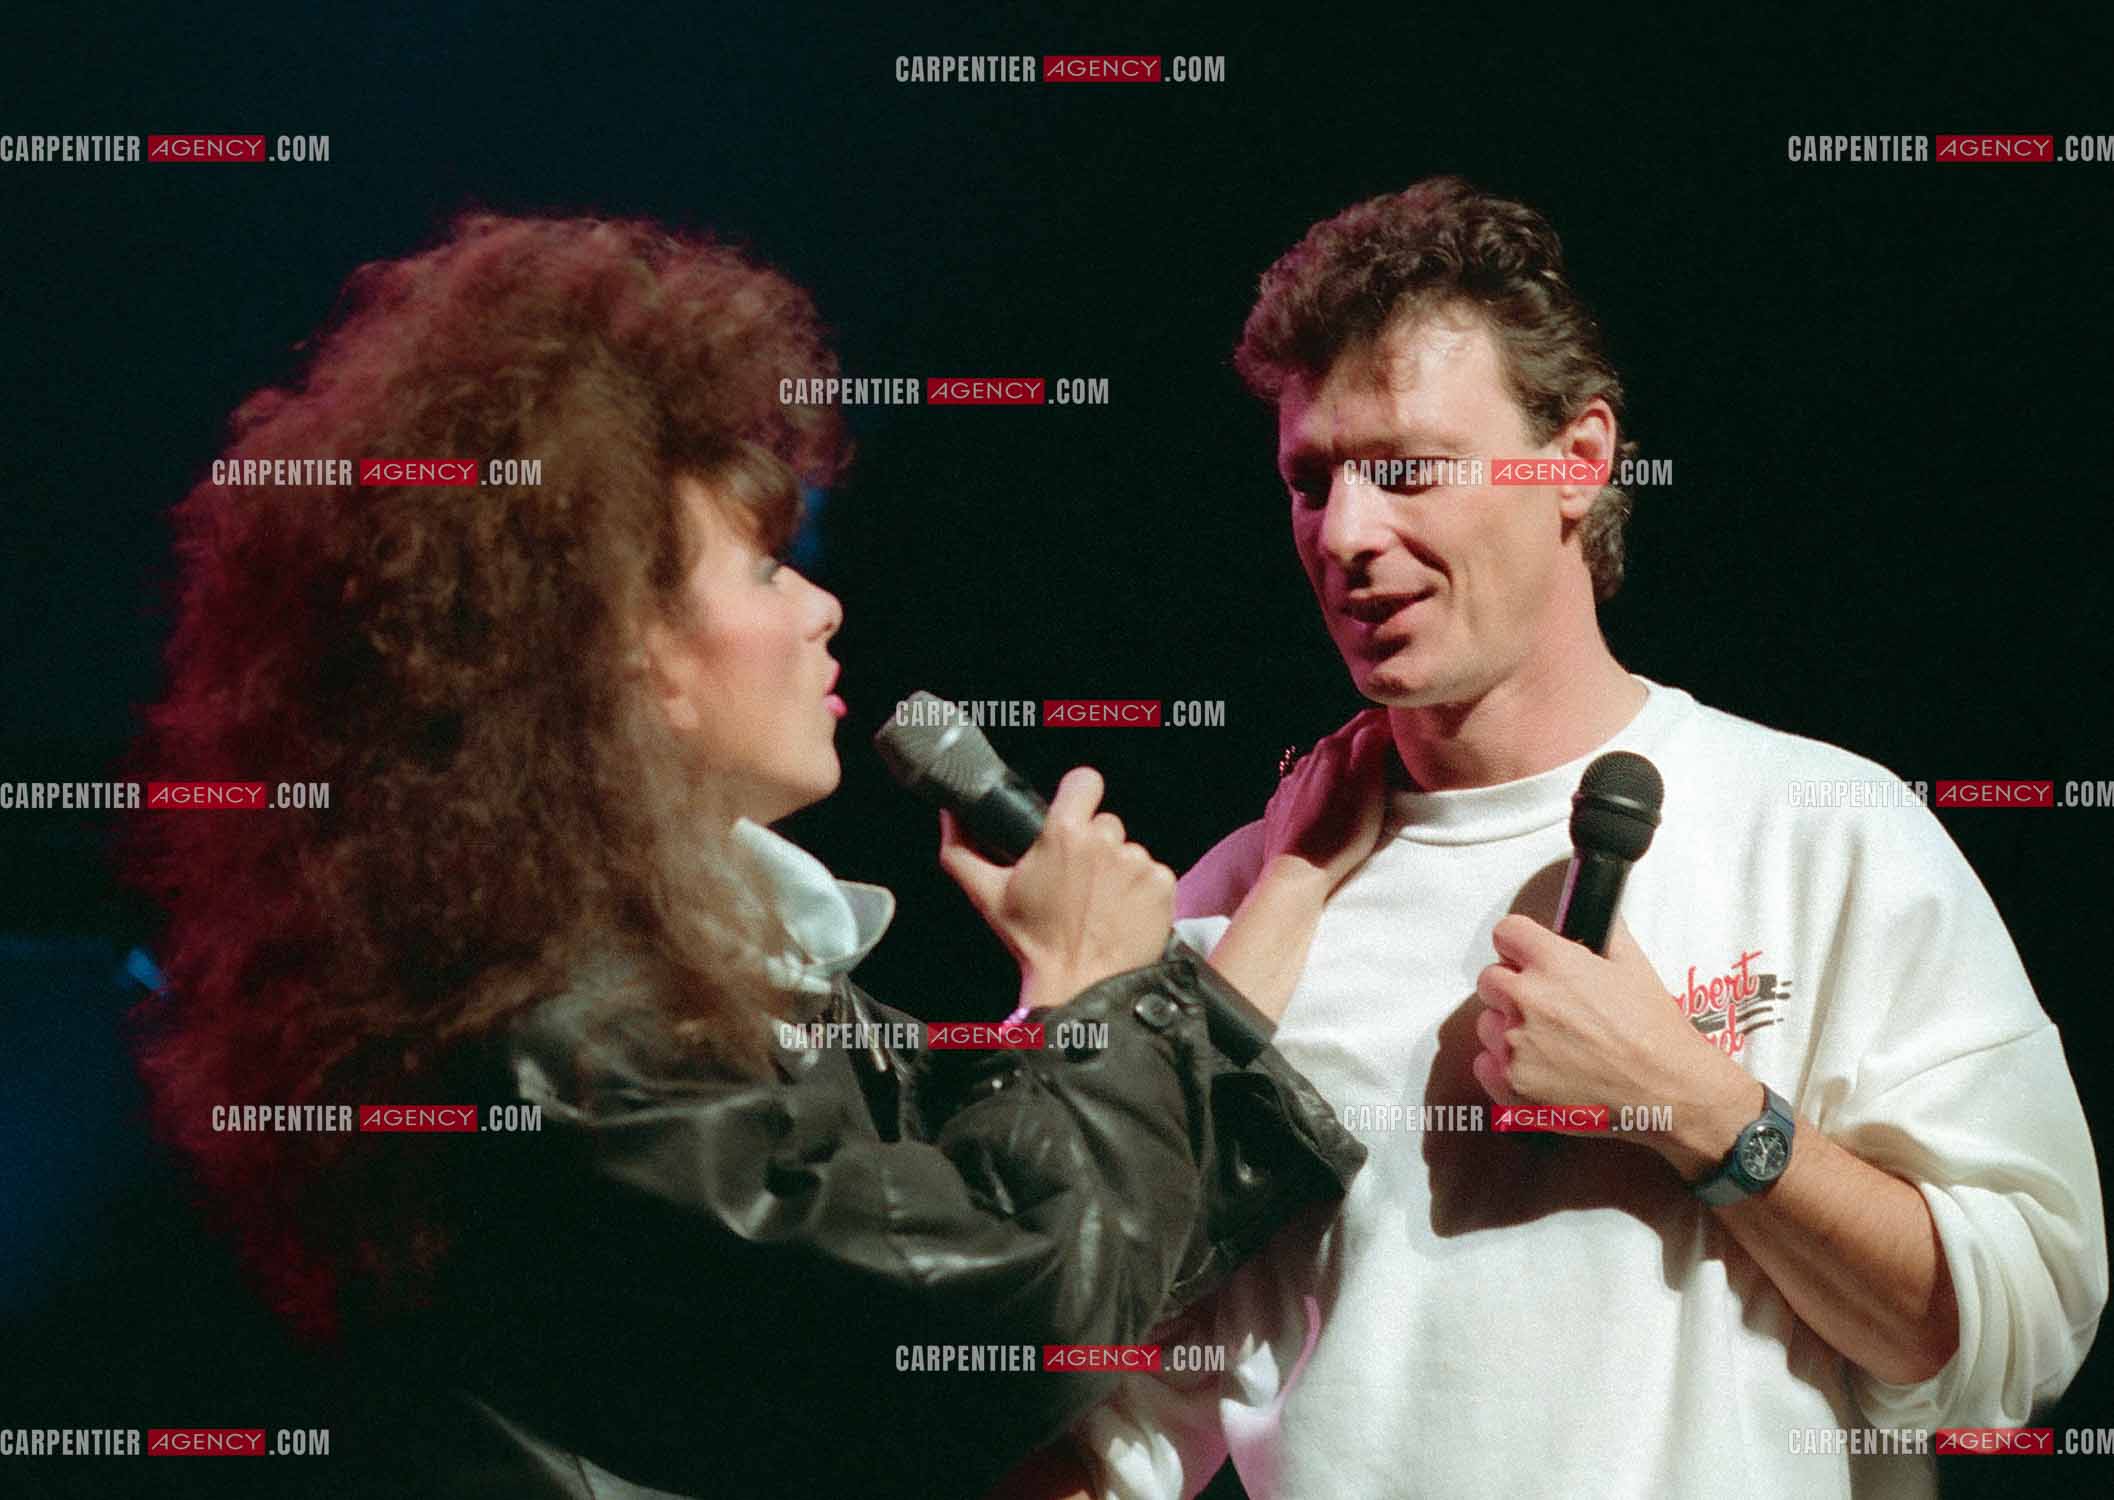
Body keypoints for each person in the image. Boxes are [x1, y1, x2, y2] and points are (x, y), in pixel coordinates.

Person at [120, 212, 1380, 1499]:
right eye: (769, 570)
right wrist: (1078, 998)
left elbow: (1081, 1214)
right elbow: (996, 1317)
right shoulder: (571, 1039)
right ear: (623, 647)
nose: (821, 606)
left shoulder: (673, 991)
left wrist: (1278, 894)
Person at [1034, 177, 2106, 1499]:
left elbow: (2010, 1338)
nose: (1346, 536)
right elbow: (1122, 1425)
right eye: (1310, 481)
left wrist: (1699, 1105)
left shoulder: (1828, 833)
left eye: (1407, 469)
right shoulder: (1247, 905)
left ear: (1580, 460)